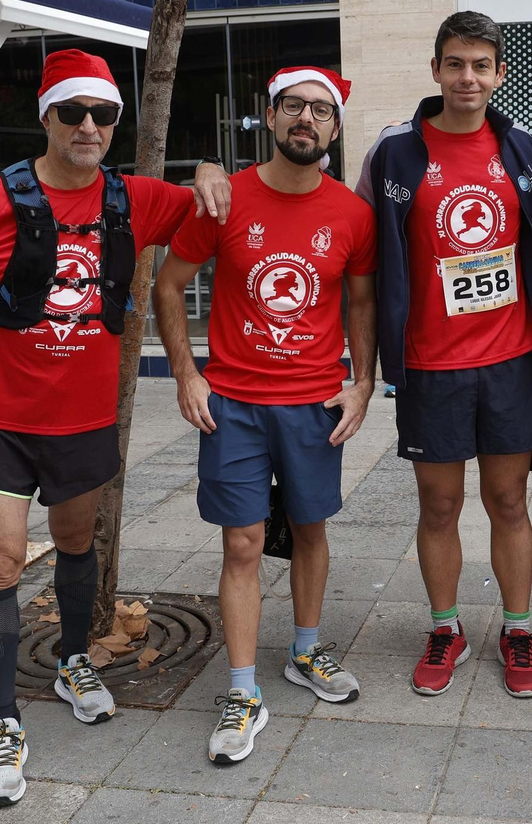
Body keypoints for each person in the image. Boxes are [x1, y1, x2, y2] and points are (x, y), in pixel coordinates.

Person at [0, 49, 231, 807]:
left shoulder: (133, 199)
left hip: (83, 421)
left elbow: (208, 206)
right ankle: (4, 722)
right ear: (45, 116)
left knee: (77, 542)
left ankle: (75, 659)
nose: (88, 126)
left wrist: (209, 162)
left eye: (103, 114)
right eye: (71, 111)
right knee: (2, 564)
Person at [153, 65, 377, 765]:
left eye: (319, 110)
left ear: (334, 128)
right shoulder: (225, 198)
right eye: (293, 107)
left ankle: (306, 651)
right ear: (271, 118)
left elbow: (361, 303)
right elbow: (168, 284)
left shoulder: (352, 213)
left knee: (309, 529)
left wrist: (362, 383)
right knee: (243, 543)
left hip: (314, 401)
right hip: (237, 404)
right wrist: (187, 373)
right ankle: (243, 689)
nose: (305, 119)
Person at [357, 11, 532, 699]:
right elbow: (361, 244)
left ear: (500, 73)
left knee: (509, 500)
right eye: (455, 63)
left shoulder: (522, 144)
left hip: (511, 358)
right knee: (438, 505)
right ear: (435, 69)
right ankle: (446, 628)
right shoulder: (395, 150)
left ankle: (519, 628)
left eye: (481, 65)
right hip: (431, 363)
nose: (467, 77)